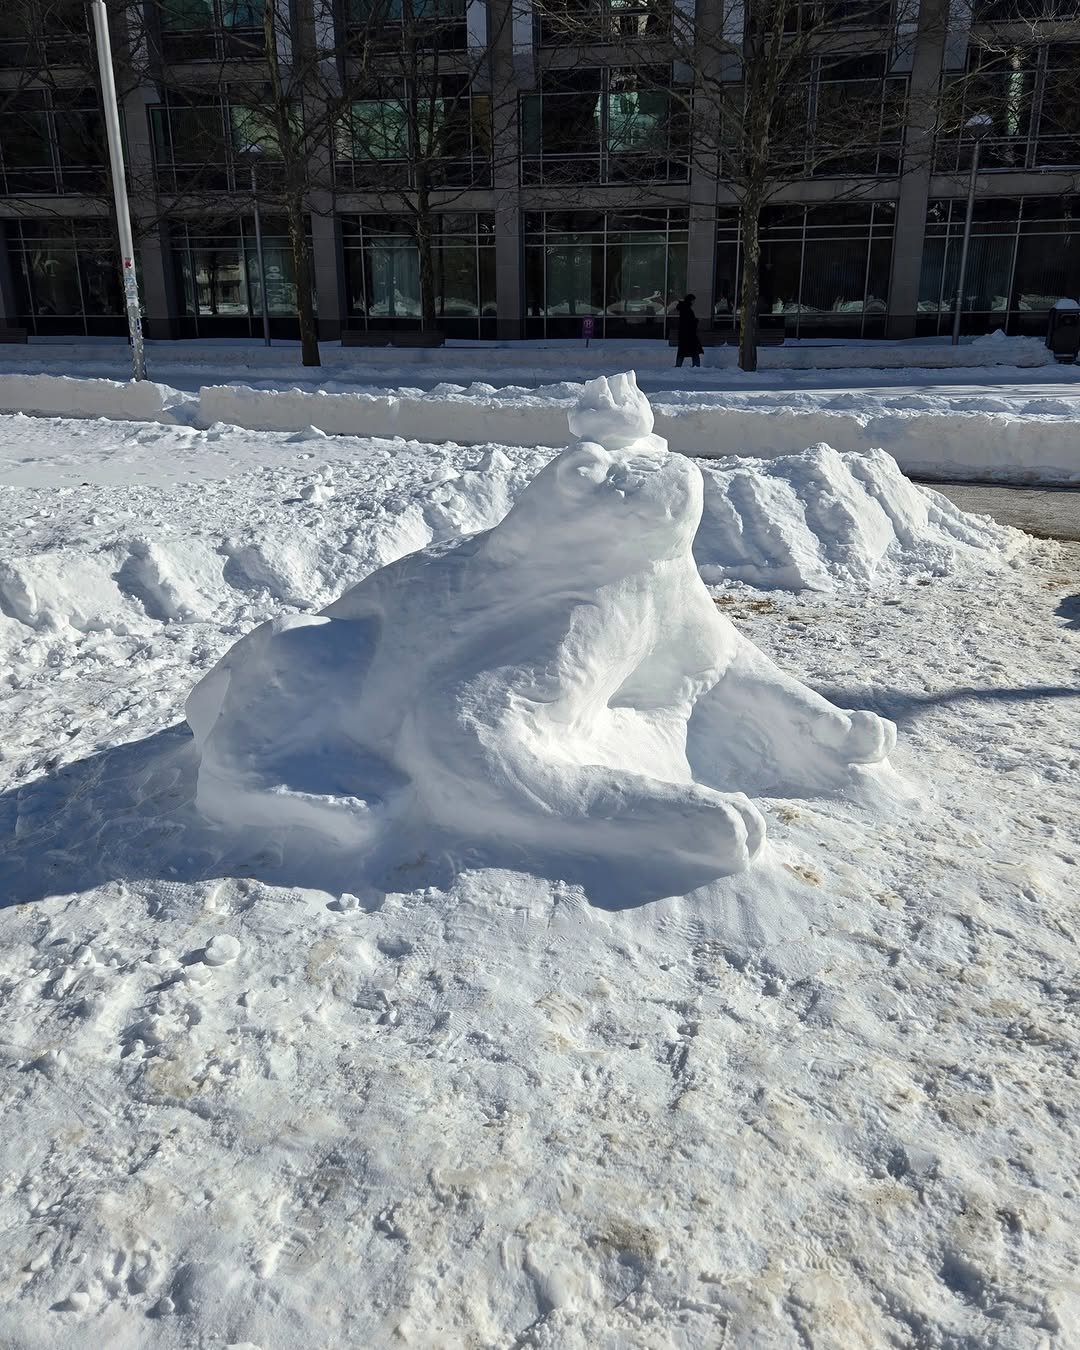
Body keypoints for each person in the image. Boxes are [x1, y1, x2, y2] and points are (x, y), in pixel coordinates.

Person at [675, 294, 703, 368]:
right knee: (694, 351)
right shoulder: (687, 309)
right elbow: (689, 322)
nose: (694, 302)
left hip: (684, 335)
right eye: (693, 300)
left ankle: (678, 366)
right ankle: (696, 367)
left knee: (682, 352)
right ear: (690, 300)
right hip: (689, 335)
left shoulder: (684, 308)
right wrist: (696, 321)